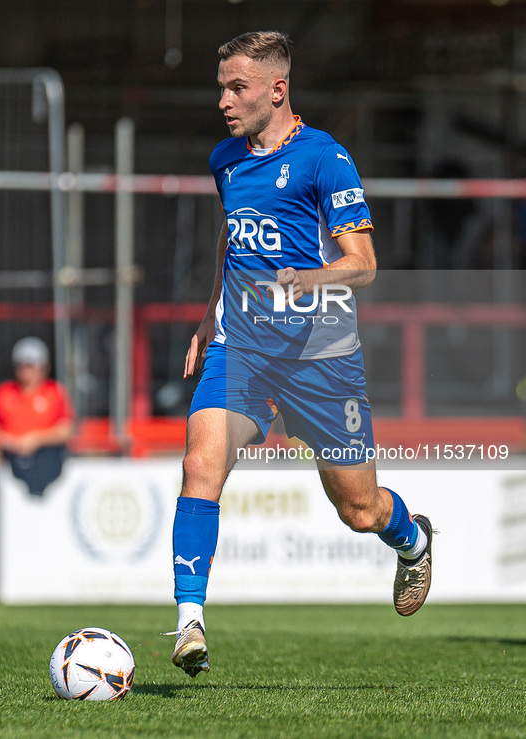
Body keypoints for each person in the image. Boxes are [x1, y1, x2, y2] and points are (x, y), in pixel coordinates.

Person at [165, 31, 433, 678]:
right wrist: (207, 320)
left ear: (277, 89)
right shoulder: (224, 159)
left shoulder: (325, 160)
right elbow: (232, 241)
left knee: (357, 508)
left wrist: (310, 278)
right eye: (221, 87)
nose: (225, 101)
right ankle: (188, 622)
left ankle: (413, 539)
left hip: (319, 356)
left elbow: (363, 264)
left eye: (239, 88)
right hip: (242, 349)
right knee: (200, 461)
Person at [0, 337, 74, 496]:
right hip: (9, 461)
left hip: (47, 461)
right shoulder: (3, 392)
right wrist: (9, 441)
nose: (27, 371)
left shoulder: (54, 392)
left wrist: (35, 440)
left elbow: (66, 430)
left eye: (32, 366)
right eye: (22, 366)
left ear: (44, 367)